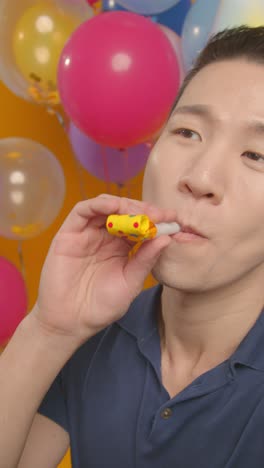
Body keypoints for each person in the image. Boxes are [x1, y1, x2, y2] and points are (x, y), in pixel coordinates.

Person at [2, 24, 264, 468]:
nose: (199, 179)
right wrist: (48, 331)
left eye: (256, 156)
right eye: (187, 133)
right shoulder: (94, 330)